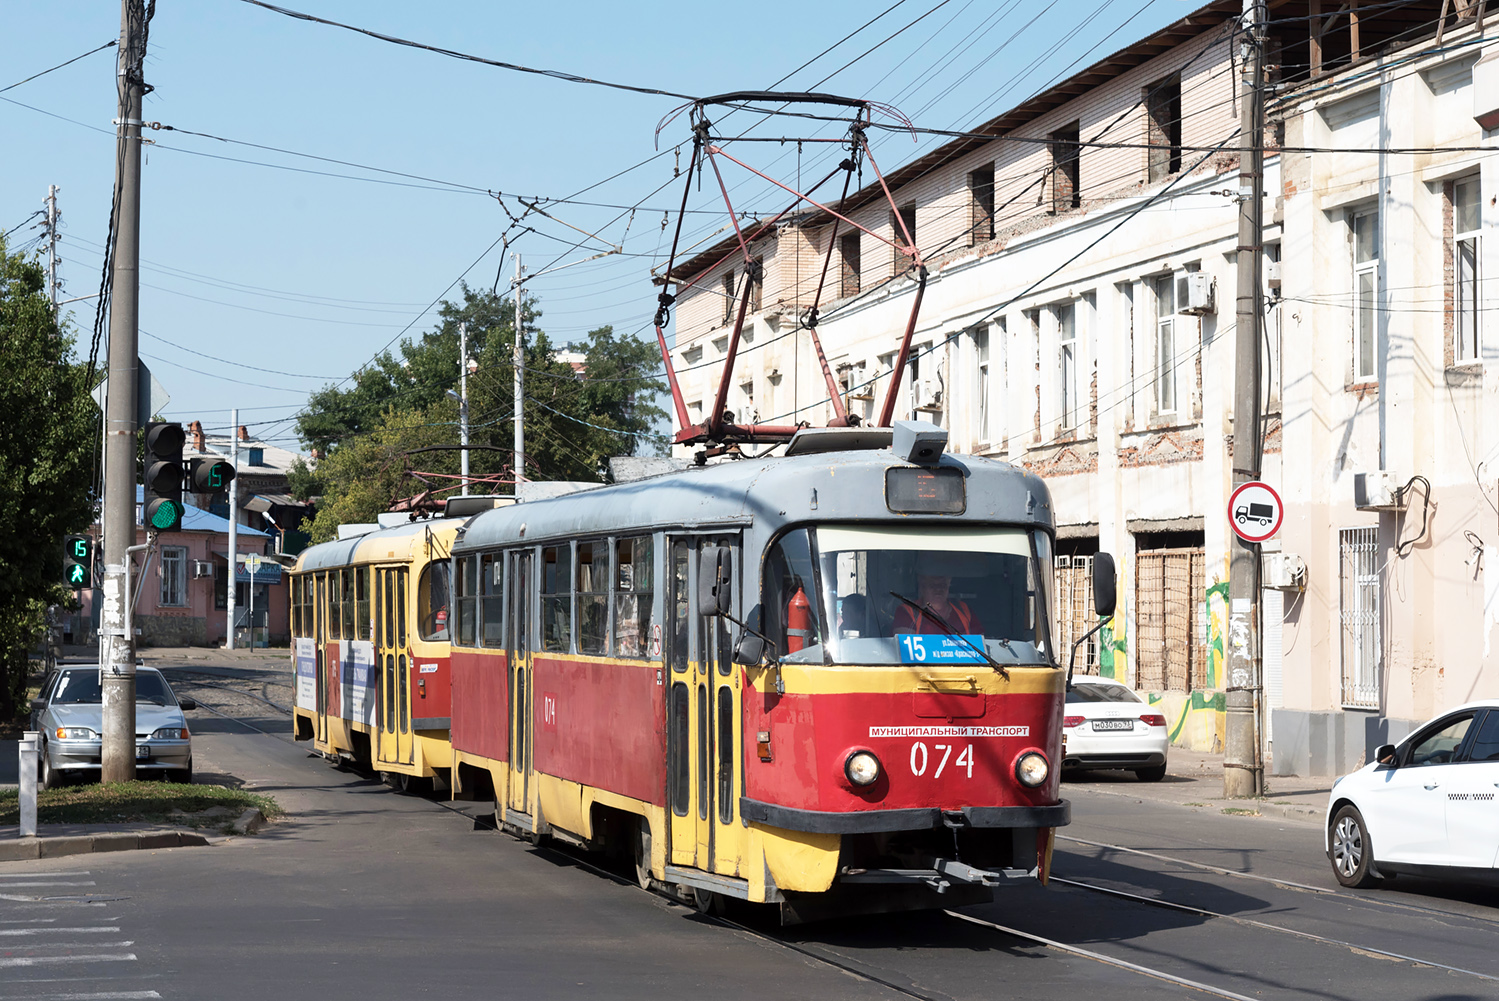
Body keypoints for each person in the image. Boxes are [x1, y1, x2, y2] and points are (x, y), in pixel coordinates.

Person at [892, 573, 981, 635]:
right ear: (922, 588)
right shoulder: (908, 611)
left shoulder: (964, 610)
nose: (938, 589)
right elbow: (905, 650)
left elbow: (980, 645)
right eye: (932, 586)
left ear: (948, 586)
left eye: (942, 585)